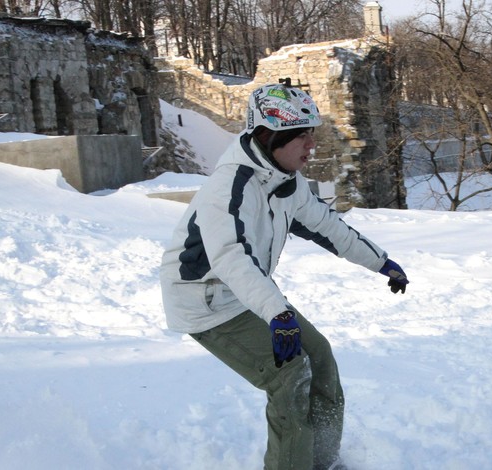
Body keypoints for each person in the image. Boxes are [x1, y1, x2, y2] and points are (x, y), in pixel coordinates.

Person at [159, 83, 409, 470]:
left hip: (248, 291)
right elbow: (230, 257)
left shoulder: (284, 181)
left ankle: (319, 461)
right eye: (302, 137)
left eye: (313, 135)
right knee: (290, 375)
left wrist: (381, 262)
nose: (311, 146)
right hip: (206, 299)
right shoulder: (230, 187)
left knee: (319, 357)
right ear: (271, 136)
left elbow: (327, 226)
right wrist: (278, 314)